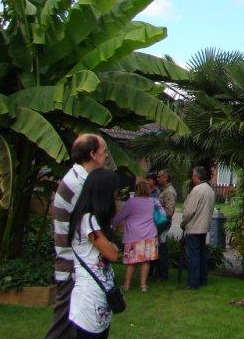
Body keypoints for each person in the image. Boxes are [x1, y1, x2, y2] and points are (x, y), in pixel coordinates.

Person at [45, 133, 108, 339]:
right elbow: (92, 230)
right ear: (93, 155)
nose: (106, 156)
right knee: (65, 328)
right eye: (104, 152)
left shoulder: (80, 179)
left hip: (76, 267)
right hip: (74, 269)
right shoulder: (78, 185)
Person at [68, 168, 120, 339]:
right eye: (114, 193)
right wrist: (112, 247)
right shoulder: (88, 220)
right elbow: (113, 254)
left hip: (99, 296)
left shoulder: (92, 220)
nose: (116, 197)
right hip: (89, 298)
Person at [113, 179, 165, 292]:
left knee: (131, 262)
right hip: (150, 234)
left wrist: (112, 225)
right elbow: (163, 214)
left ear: (137, 190)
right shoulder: (153, 201)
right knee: (146, 261)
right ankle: (143, 285)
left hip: (133, 235)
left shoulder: (131, 202)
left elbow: (121, 216)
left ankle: (126, 285)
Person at [180, 166, 215, 289]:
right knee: (201, 255)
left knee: (193, 256)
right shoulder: (210, 189)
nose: (192, 178)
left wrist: (183, 223)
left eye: (193, 176)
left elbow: (189, 211)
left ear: (197, 176)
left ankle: (193, 283)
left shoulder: (197, 190)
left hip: (194, 227)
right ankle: (202, 279)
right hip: (204, 227)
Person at [154, 169, 177, 281]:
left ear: (166, 178)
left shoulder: (169, 191)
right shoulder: (162, 190)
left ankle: (163, 274)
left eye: (160, 177)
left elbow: (169, 210)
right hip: (159, 223)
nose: (157, 179)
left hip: (163, 223)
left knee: (162, 248)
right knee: (158, 248)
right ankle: (158, 272)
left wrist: (159, 217)